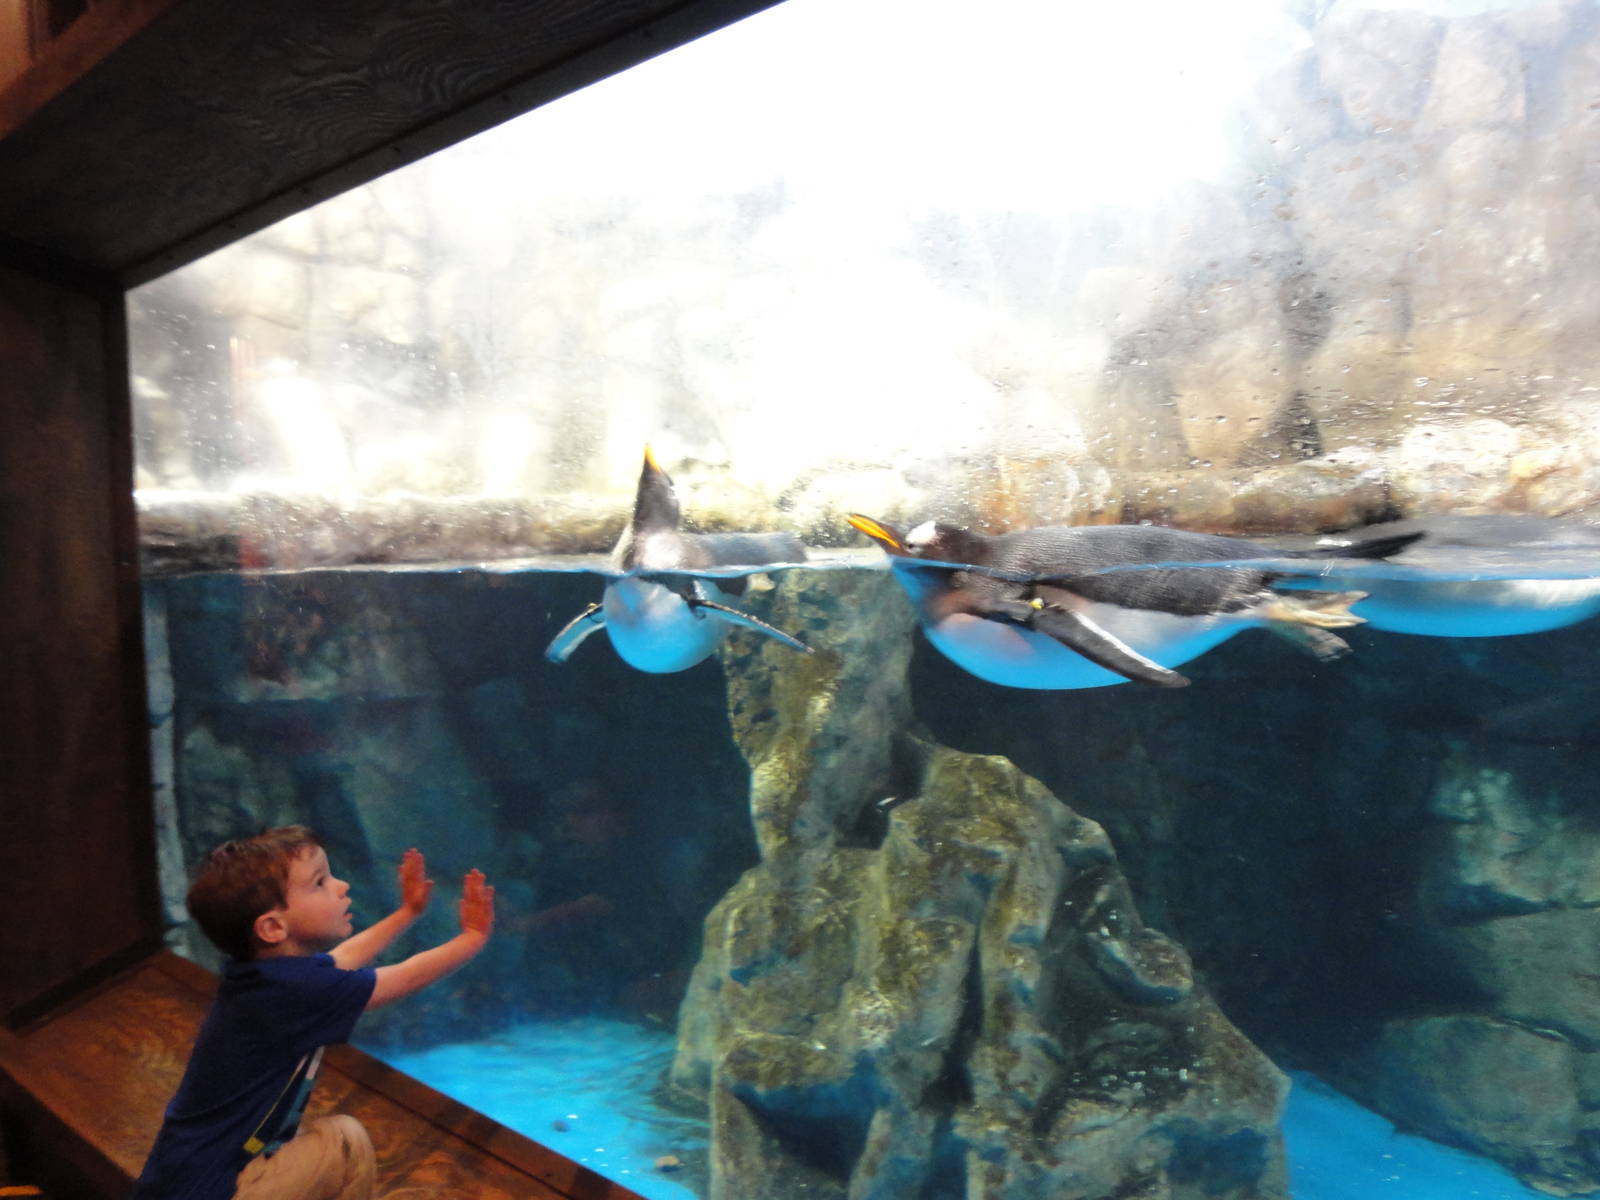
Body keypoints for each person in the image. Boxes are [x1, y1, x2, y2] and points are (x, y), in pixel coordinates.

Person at [132, 825, 495, 1200]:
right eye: (320, 882)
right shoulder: (296, 991)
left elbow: (343, 960)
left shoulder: (265, 978)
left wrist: (407, 913)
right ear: (273, 927)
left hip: (175, 1181)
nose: (341, 886)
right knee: (344, 1141)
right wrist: (472, 938)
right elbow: (404, 977)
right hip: (216, 1190)